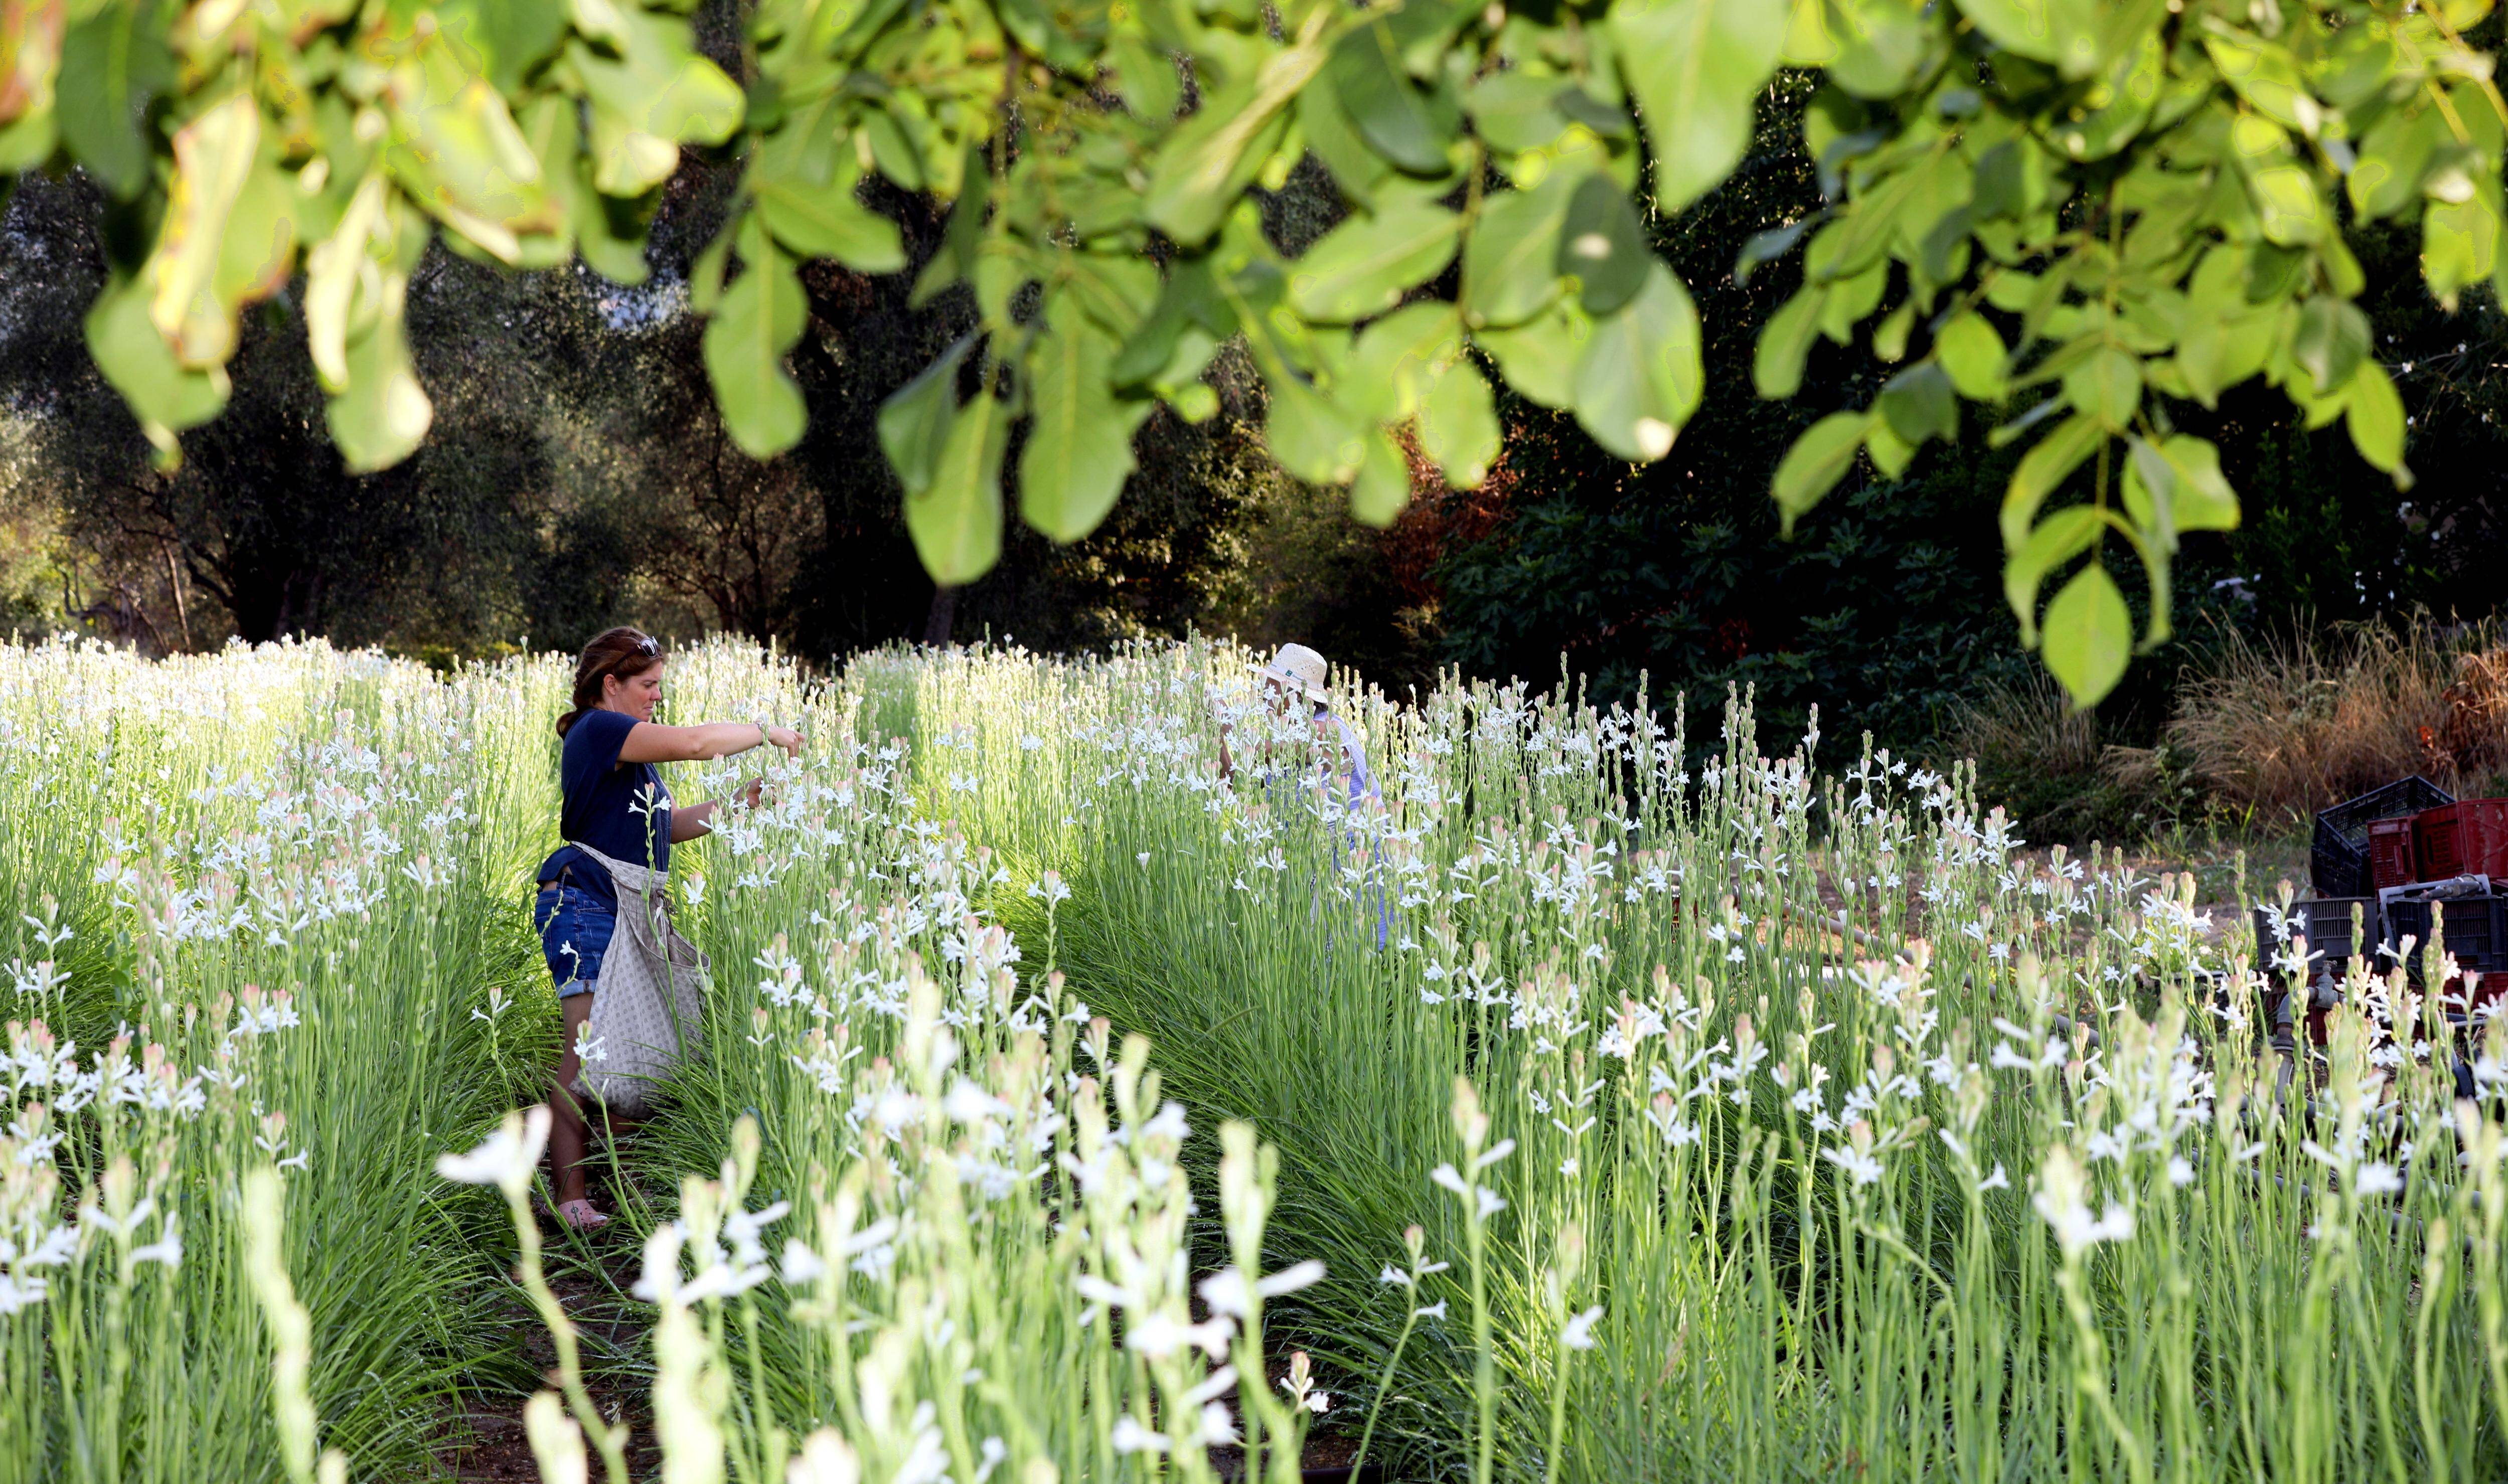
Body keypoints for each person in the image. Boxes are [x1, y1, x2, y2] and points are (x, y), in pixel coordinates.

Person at [532, 627, 803, 1230]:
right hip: (585, 903)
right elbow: (699, 742)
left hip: (626, 905)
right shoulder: (599, 729)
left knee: (639, 1050)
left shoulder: (628, 755)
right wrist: (768, 733)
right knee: (588, 1052)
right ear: (612, 684)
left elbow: (662, 828)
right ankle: (570, 1195)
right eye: (648, 685)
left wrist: (740, 803)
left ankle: (614, 1181)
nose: (657, 696)